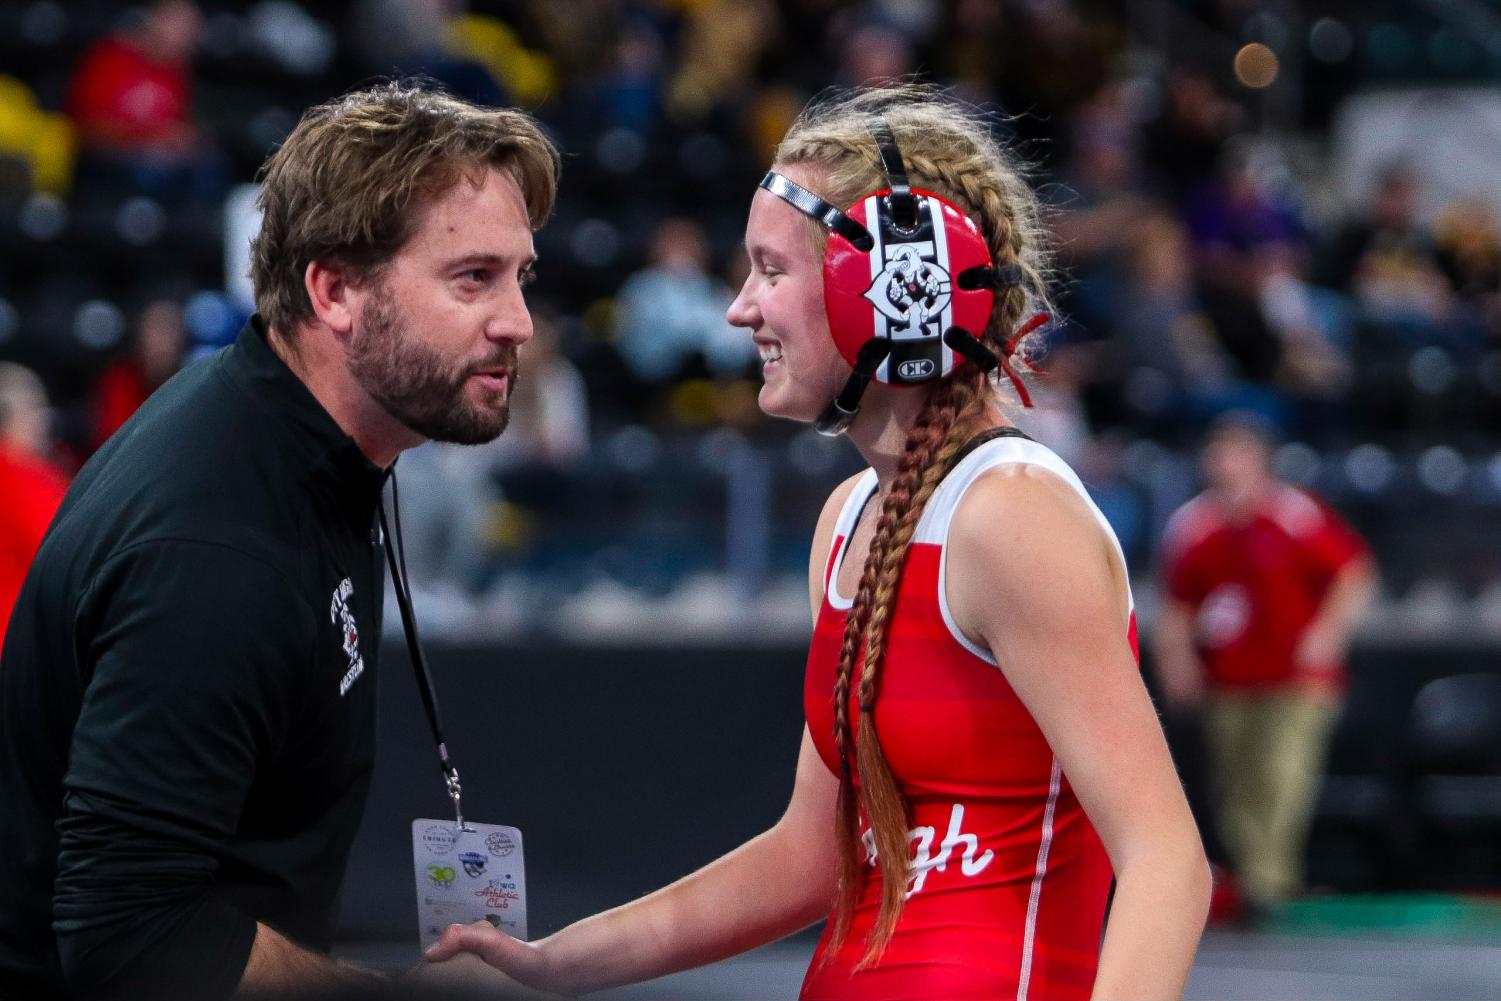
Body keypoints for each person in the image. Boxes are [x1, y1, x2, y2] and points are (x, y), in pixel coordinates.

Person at [426, 85, 1210, 1000]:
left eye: (768, 270)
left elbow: (1165, 857)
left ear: (886, 285)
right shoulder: (848, 524)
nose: (739, 309)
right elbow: (806, 858)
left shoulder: (1010, 514)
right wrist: (558, 960)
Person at [0, 83, 559, 999]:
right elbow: (130, 938)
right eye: (473, 278)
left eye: (519, 276)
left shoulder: (298, 438)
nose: (517, 323)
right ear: (334, 291)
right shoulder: (217, 546)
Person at [1154, 414, 1376, 920]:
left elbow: (1354, 571)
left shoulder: (1294, 514)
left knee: (1282, 775)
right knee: (1234, 781)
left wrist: (1327, 634)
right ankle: (1256, 874)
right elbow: (1178, 606)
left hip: (1296, 678)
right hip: (1230, 677)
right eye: (1218, 454)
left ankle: (1268, 882)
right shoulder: (1195, 525)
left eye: (1236, 453)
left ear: (1259, 460)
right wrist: (1178, 660)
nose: (1225, 465)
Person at [0, 364, 69, 653]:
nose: (44, 421)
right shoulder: (26, 476)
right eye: (33, 409)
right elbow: (66, 557)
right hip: (20, 650)